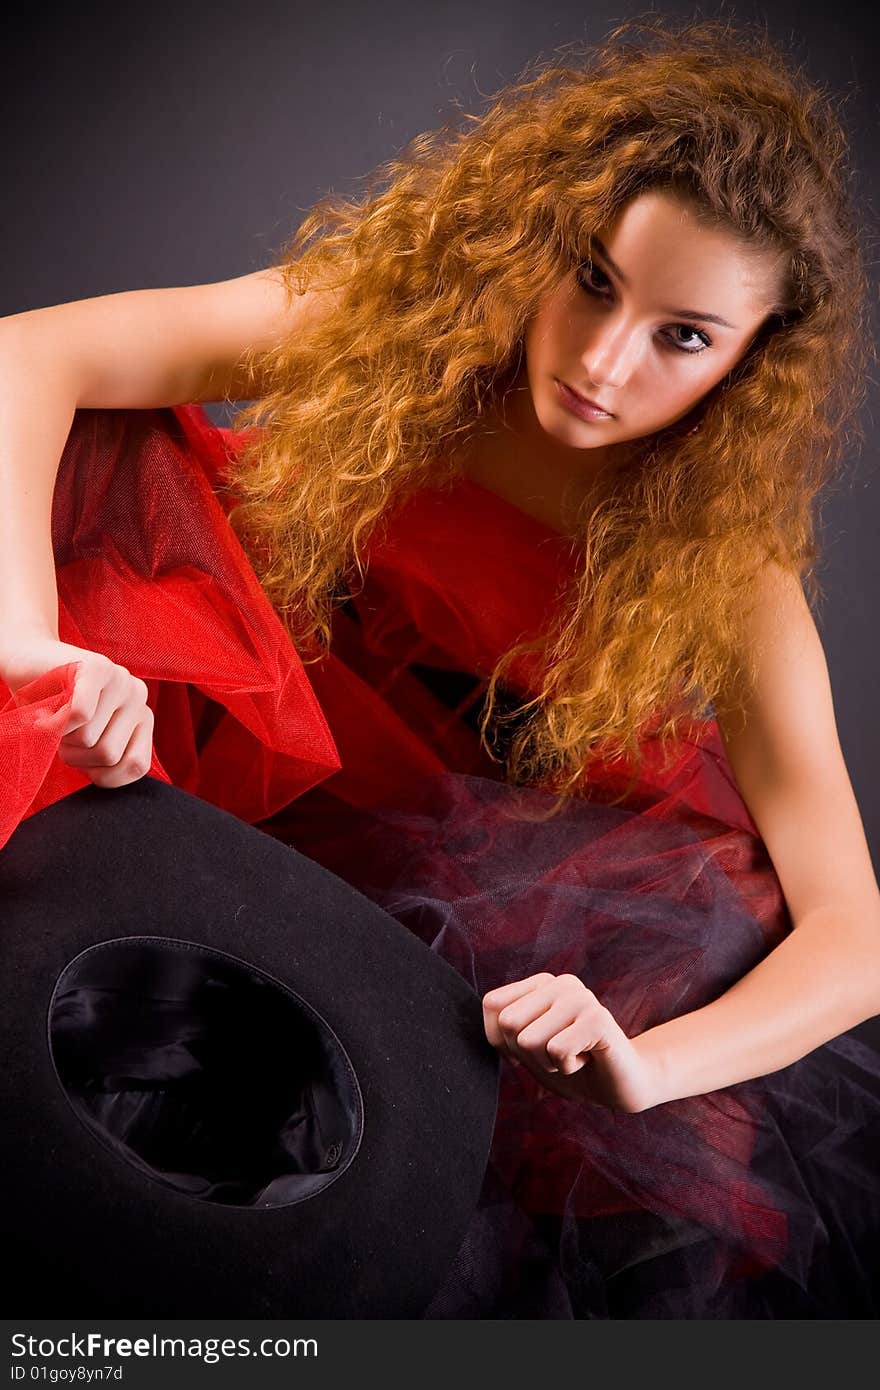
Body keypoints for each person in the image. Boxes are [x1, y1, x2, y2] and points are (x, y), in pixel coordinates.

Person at [1, 15, 879, 1317]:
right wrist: (37, 650)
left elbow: (856, 931)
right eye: (592, 276)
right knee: (103, 463)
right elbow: (30, 353)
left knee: (633, 997)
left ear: (752, 365)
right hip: (256, 715)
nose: (600, 360)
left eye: (682, 337)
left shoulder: (729, 567)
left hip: (475, 878)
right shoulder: (410, 333)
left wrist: (643, 1062)